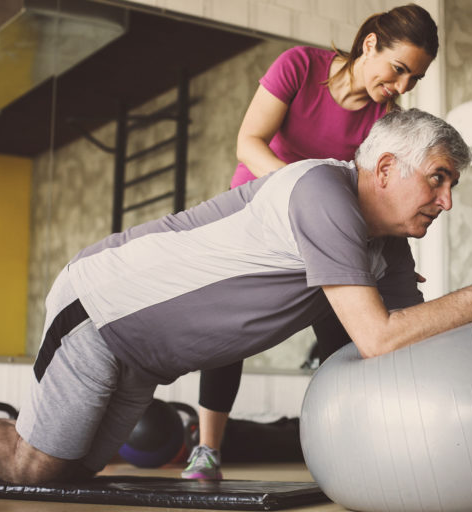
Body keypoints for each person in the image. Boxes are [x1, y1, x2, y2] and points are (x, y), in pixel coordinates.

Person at [0, 109, 472, 483]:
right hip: (103, 310)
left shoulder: (385, 248)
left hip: (144, 357)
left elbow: (410, 330)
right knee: (33, 467)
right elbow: (378, 337)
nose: (446, 201)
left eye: (452, 188)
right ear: (386, 167)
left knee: (74, 472)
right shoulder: (323, 193)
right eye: (439, 180)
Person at [188, 3, 440, 479]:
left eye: (415, 79)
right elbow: (249, 142)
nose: (402, 87)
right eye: (399, 70)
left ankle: (347, 451)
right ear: (370, 44)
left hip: (324, 231)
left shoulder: (385, 121)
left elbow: (375, 199)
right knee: (229, 336)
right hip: (258, 212)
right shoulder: (299, 66)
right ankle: (207, 450)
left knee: (344, 337)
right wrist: (306, 198)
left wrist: (390, 264)